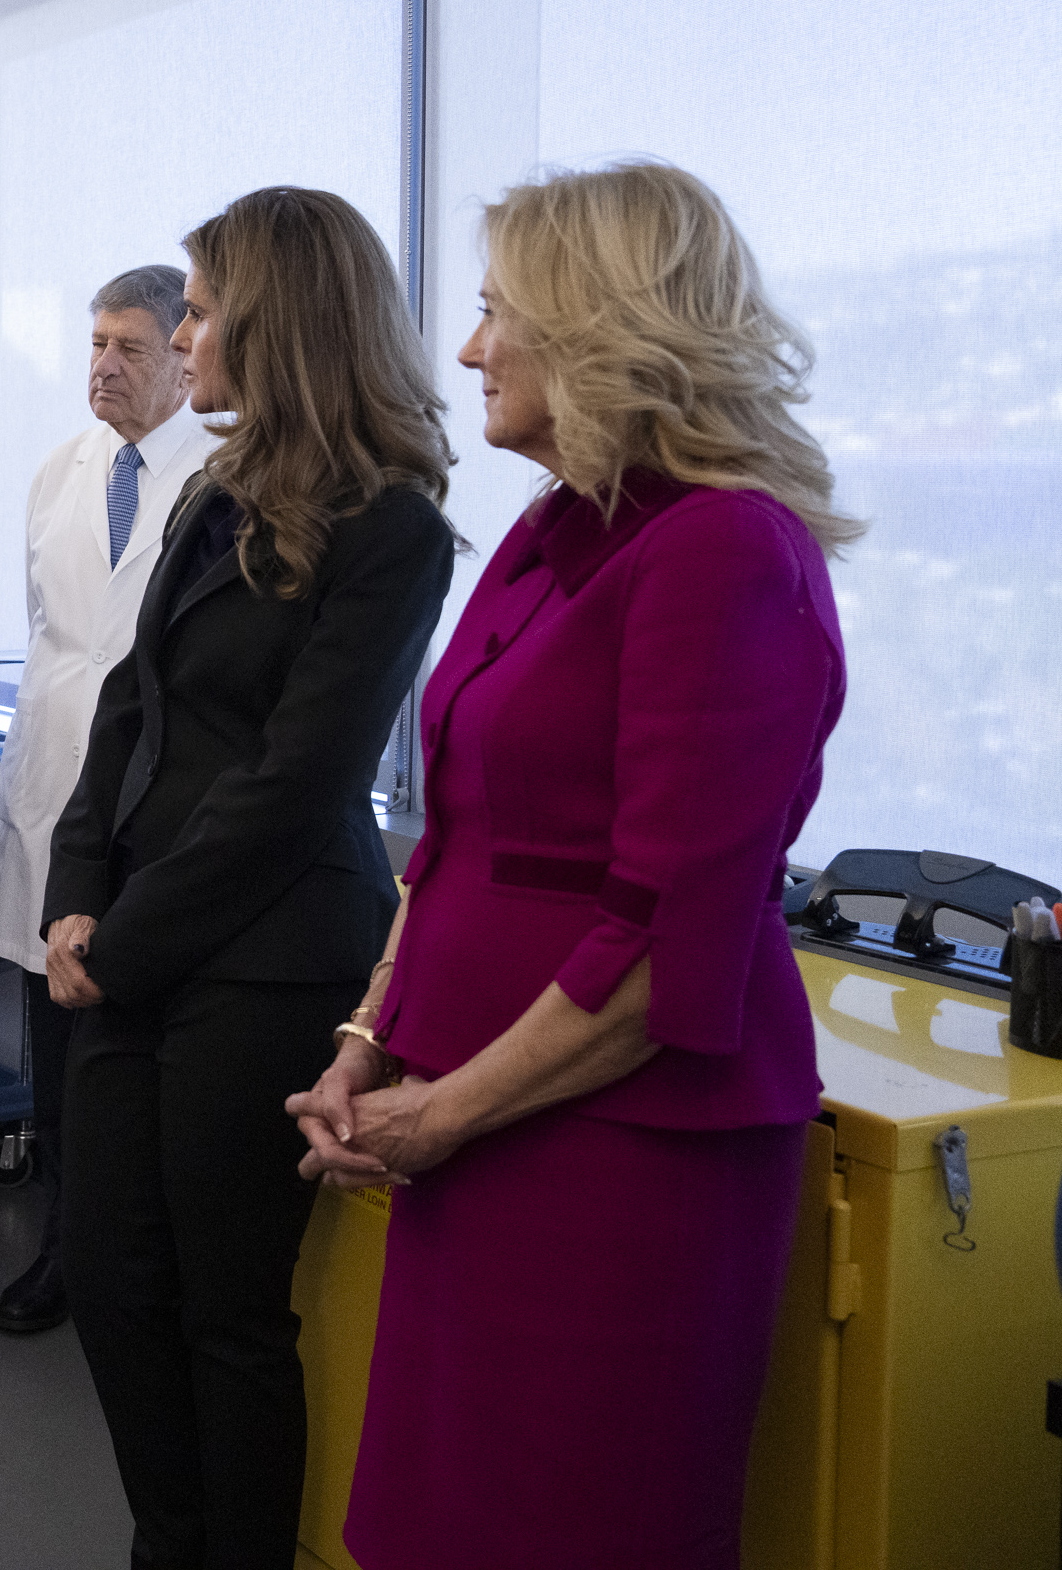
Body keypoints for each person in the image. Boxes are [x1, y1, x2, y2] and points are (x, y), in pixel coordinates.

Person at [297, 163, 852, 1570]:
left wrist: (447, 1114)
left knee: (568, 1526)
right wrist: (373, 1041)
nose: (471, 350)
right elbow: (456, 843)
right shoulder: (553, 533)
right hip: (478, 1117)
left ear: (603, 325)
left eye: (496, 314)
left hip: (618, 1157)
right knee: (434, 1519)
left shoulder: (725, 551)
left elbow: (669, 934)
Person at [42, 186, 454, 1570]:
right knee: (110, 1277)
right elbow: (131, 707)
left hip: (267, 953)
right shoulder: (215, 490)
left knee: (226, 1311)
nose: (185, 331)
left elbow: (297, 781)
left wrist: (126, 935)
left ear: (275, 323)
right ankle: (172, 1541)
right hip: (137, 934)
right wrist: (74, 893)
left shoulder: (393, 526)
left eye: (205, 310)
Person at [0, 263, 202, 1338]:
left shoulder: (224, 470)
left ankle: (134, 1256)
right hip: (54, 779)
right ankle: (63, 1246)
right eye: (95, 344)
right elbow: (50, 631)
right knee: (59, 1049)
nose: (103, 367)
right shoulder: (58, 471)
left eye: (129, 347)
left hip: (164, 801)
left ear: (185, 352)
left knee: (143, 1046)